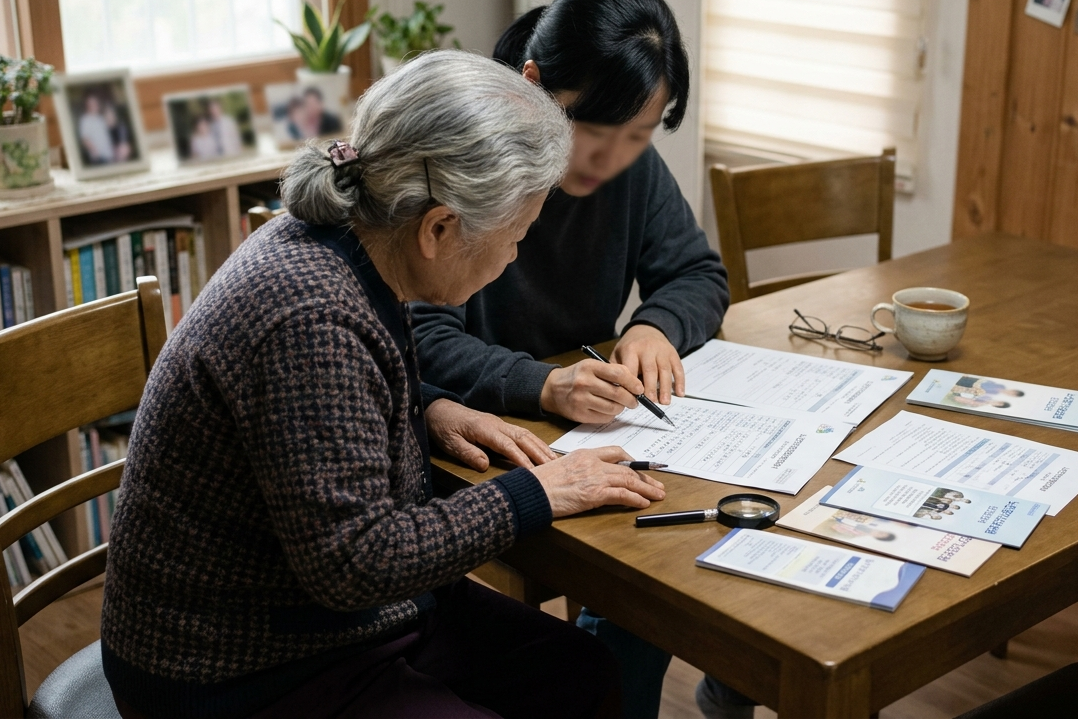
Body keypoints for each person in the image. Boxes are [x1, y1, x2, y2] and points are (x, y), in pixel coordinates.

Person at [101, 50, 667, 719]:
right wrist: (535, 494)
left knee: (582, 673)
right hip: (236, 665)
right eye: (516, 235)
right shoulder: (311, 316)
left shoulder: (349, 241)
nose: (515, 252)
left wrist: (430, 409)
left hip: (326, 619)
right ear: (439, 228)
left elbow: (318, 415)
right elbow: (356, 563)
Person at [410, 0, 738, 719]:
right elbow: (418, 336)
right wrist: (541, 385)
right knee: (642, 579)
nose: (609, 157)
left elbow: (695, 272)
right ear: (534, 85)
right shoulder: (471, 165)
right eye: (594, 128)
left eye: (639, 135)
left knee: (671, 541)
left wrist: (655, 325)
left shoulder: (629, 166)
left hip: (598, 419)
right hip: (483, 439)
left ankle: (702, 680)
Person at [77, 92, 114, 165]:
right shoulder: (85, 119)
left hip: (109, 156)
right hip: (99, 158)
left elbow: (111, 124)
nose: (94, 105)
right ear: (87, 105)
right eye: (91, 104)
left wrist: (108, 108)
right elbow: (85, 139)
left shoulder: (100, 118)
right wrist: (96, 153)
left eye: (95, 103)